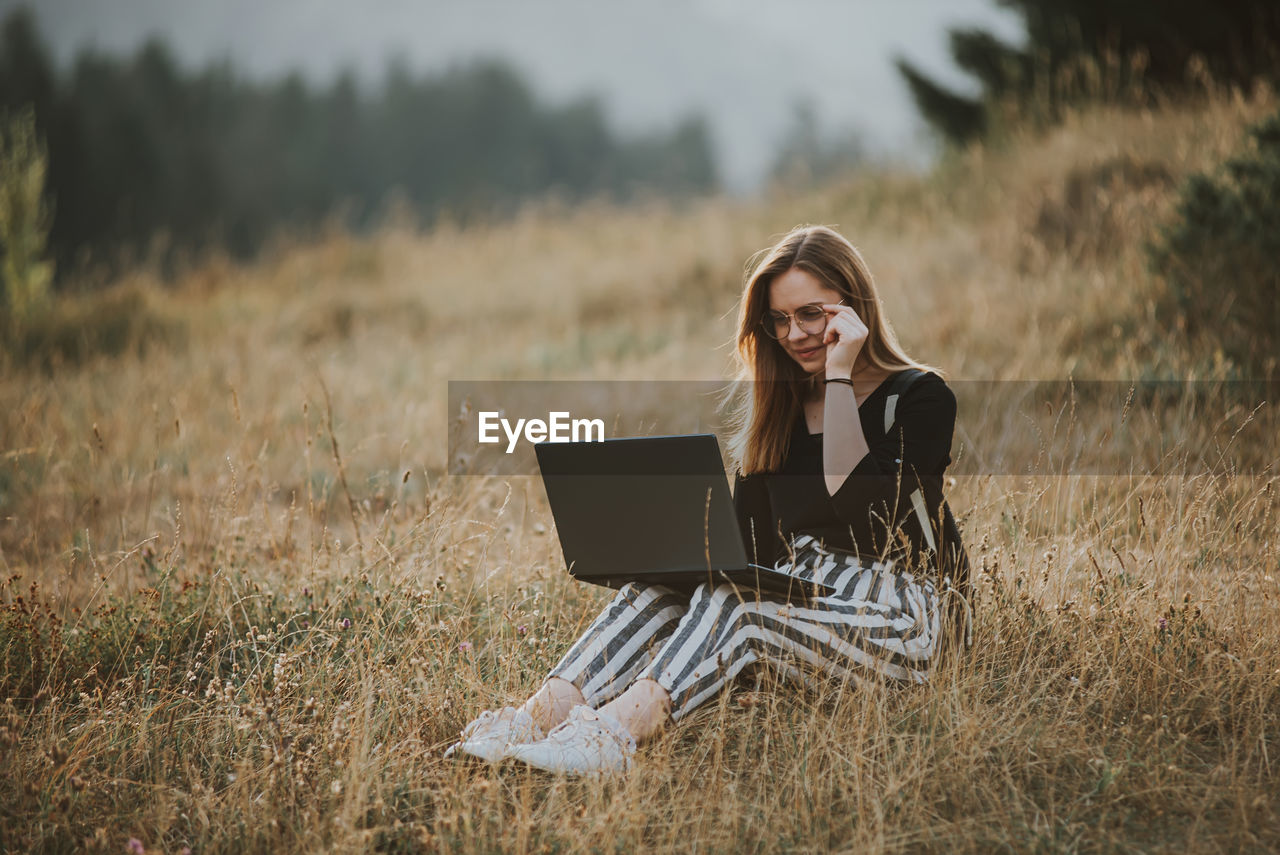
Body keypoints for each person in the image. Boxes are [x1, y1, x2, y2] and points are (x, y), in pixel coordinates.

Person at [445, 225, 971, 775]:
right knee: (658, 590)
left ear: (852, 308)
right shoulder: (782, 416)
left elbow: (867, 514)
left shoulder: (920, 398)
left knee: (737, 604)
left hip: (904, 617)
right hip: (811, 599)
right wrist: (675, 564)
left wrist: (839, 377)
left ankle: (612, 738)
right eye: (781, 320)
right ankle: (532, 722)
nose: (795, 334)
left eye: (811, 314)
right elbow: (750, 552)